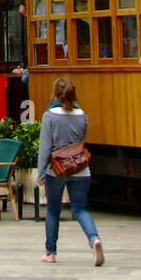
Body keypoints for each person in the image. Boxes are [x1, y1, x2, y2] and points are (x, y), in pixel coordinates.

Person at [37, 77, 103, 266]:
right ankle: (94, 239)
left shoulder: (49, 115)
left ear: (56, 94)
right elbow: (82, 140)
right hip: (80, 169)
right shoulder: (82, 115)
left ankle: (51, 253)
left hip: (56, 171)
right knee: (80, 209)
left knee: (53, 211)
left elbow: (45, 147)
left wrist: (41, 173)